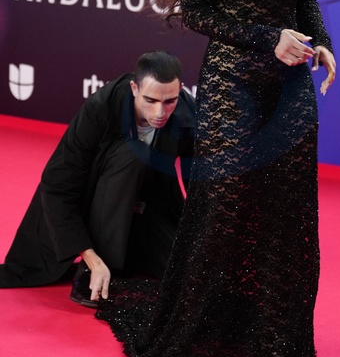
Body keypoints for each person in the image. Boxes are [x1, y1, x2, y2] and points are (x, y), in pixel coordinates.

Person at [96, 0, 336, 357]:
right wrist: (268, 38)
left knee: (286, 219)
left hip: (290, 93)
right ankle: (205, 338)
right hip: (234, 92)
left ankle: (276, 352)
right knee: (224, 213)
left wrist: (322, 42)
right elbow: (197, 12)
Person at [0, 51, 195, 308]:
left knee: (190, 274)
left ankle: (129, 251)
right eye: (150, 100)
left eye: (170, 101)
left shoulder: (187, 113)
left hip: (148, 209)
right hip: (94, 204)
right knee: (133, 154)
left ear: (180, 90)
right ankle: (99, 268)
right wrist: (92, 259)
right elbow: (57, 185)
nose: (160, 112)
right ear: (134, 88)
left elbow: (200, 185)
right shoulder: (100, 107)